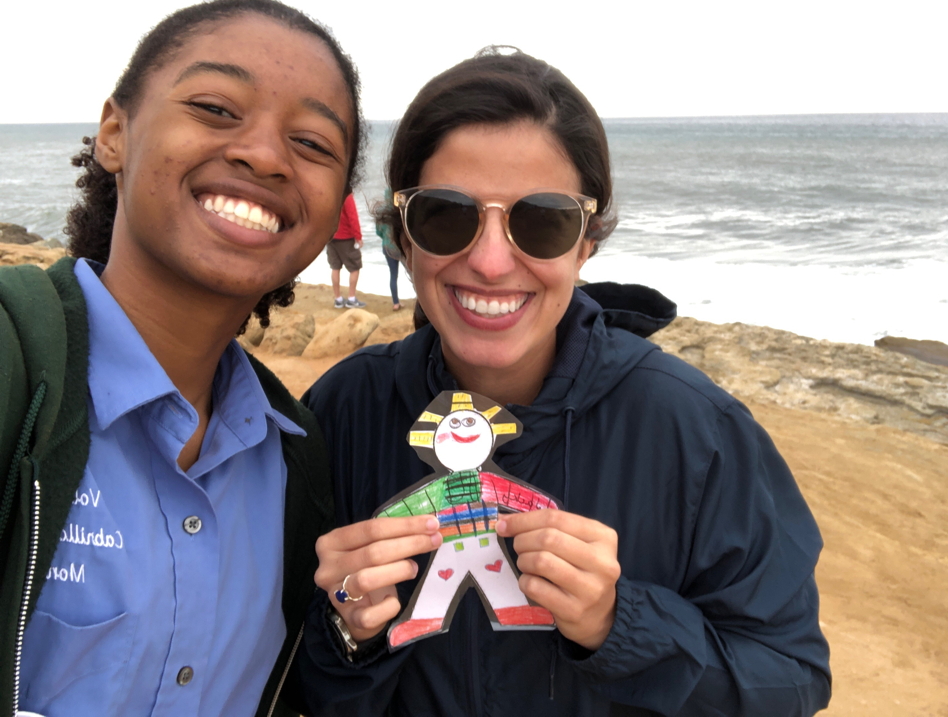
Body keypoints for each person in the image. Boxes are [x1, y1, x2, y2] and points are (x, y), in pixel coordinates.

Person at [294, 48, 831, 715]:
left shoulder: (699, 433)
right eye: (446, 215)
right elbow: (284, 677)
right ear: (403, 233)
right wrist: (346, 632)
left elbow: (790, 681)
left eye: (542, 221)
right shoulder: (341, 412)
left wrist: (621, 623)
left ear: (588, 239)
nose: (490, 261)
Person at [0, 0, 364, 717]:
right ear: (115, 132)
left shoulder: (296, 461)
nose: (263, 153)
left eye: (314, 144)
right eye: (217, 108)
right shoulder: (16, 365)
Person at [327, 189, 366, 308]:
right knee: (354, 267)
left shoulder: (331, 194)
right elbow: (352, 216)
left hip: (331, 236)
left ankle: (338, 298)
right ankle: (351, 298)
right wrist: (358, 236)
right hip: (346, 238)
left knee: (335, 267)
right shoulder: (346, 196)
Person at [375, 188, 402, 310]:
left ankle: (395, 302)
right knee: (412, 274)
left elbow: (378, 231)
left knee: (393, 275)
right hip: (401, 247)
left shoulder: (382, 211)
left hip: (387, 247)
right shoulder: (400, 210)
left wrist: (386, 238)